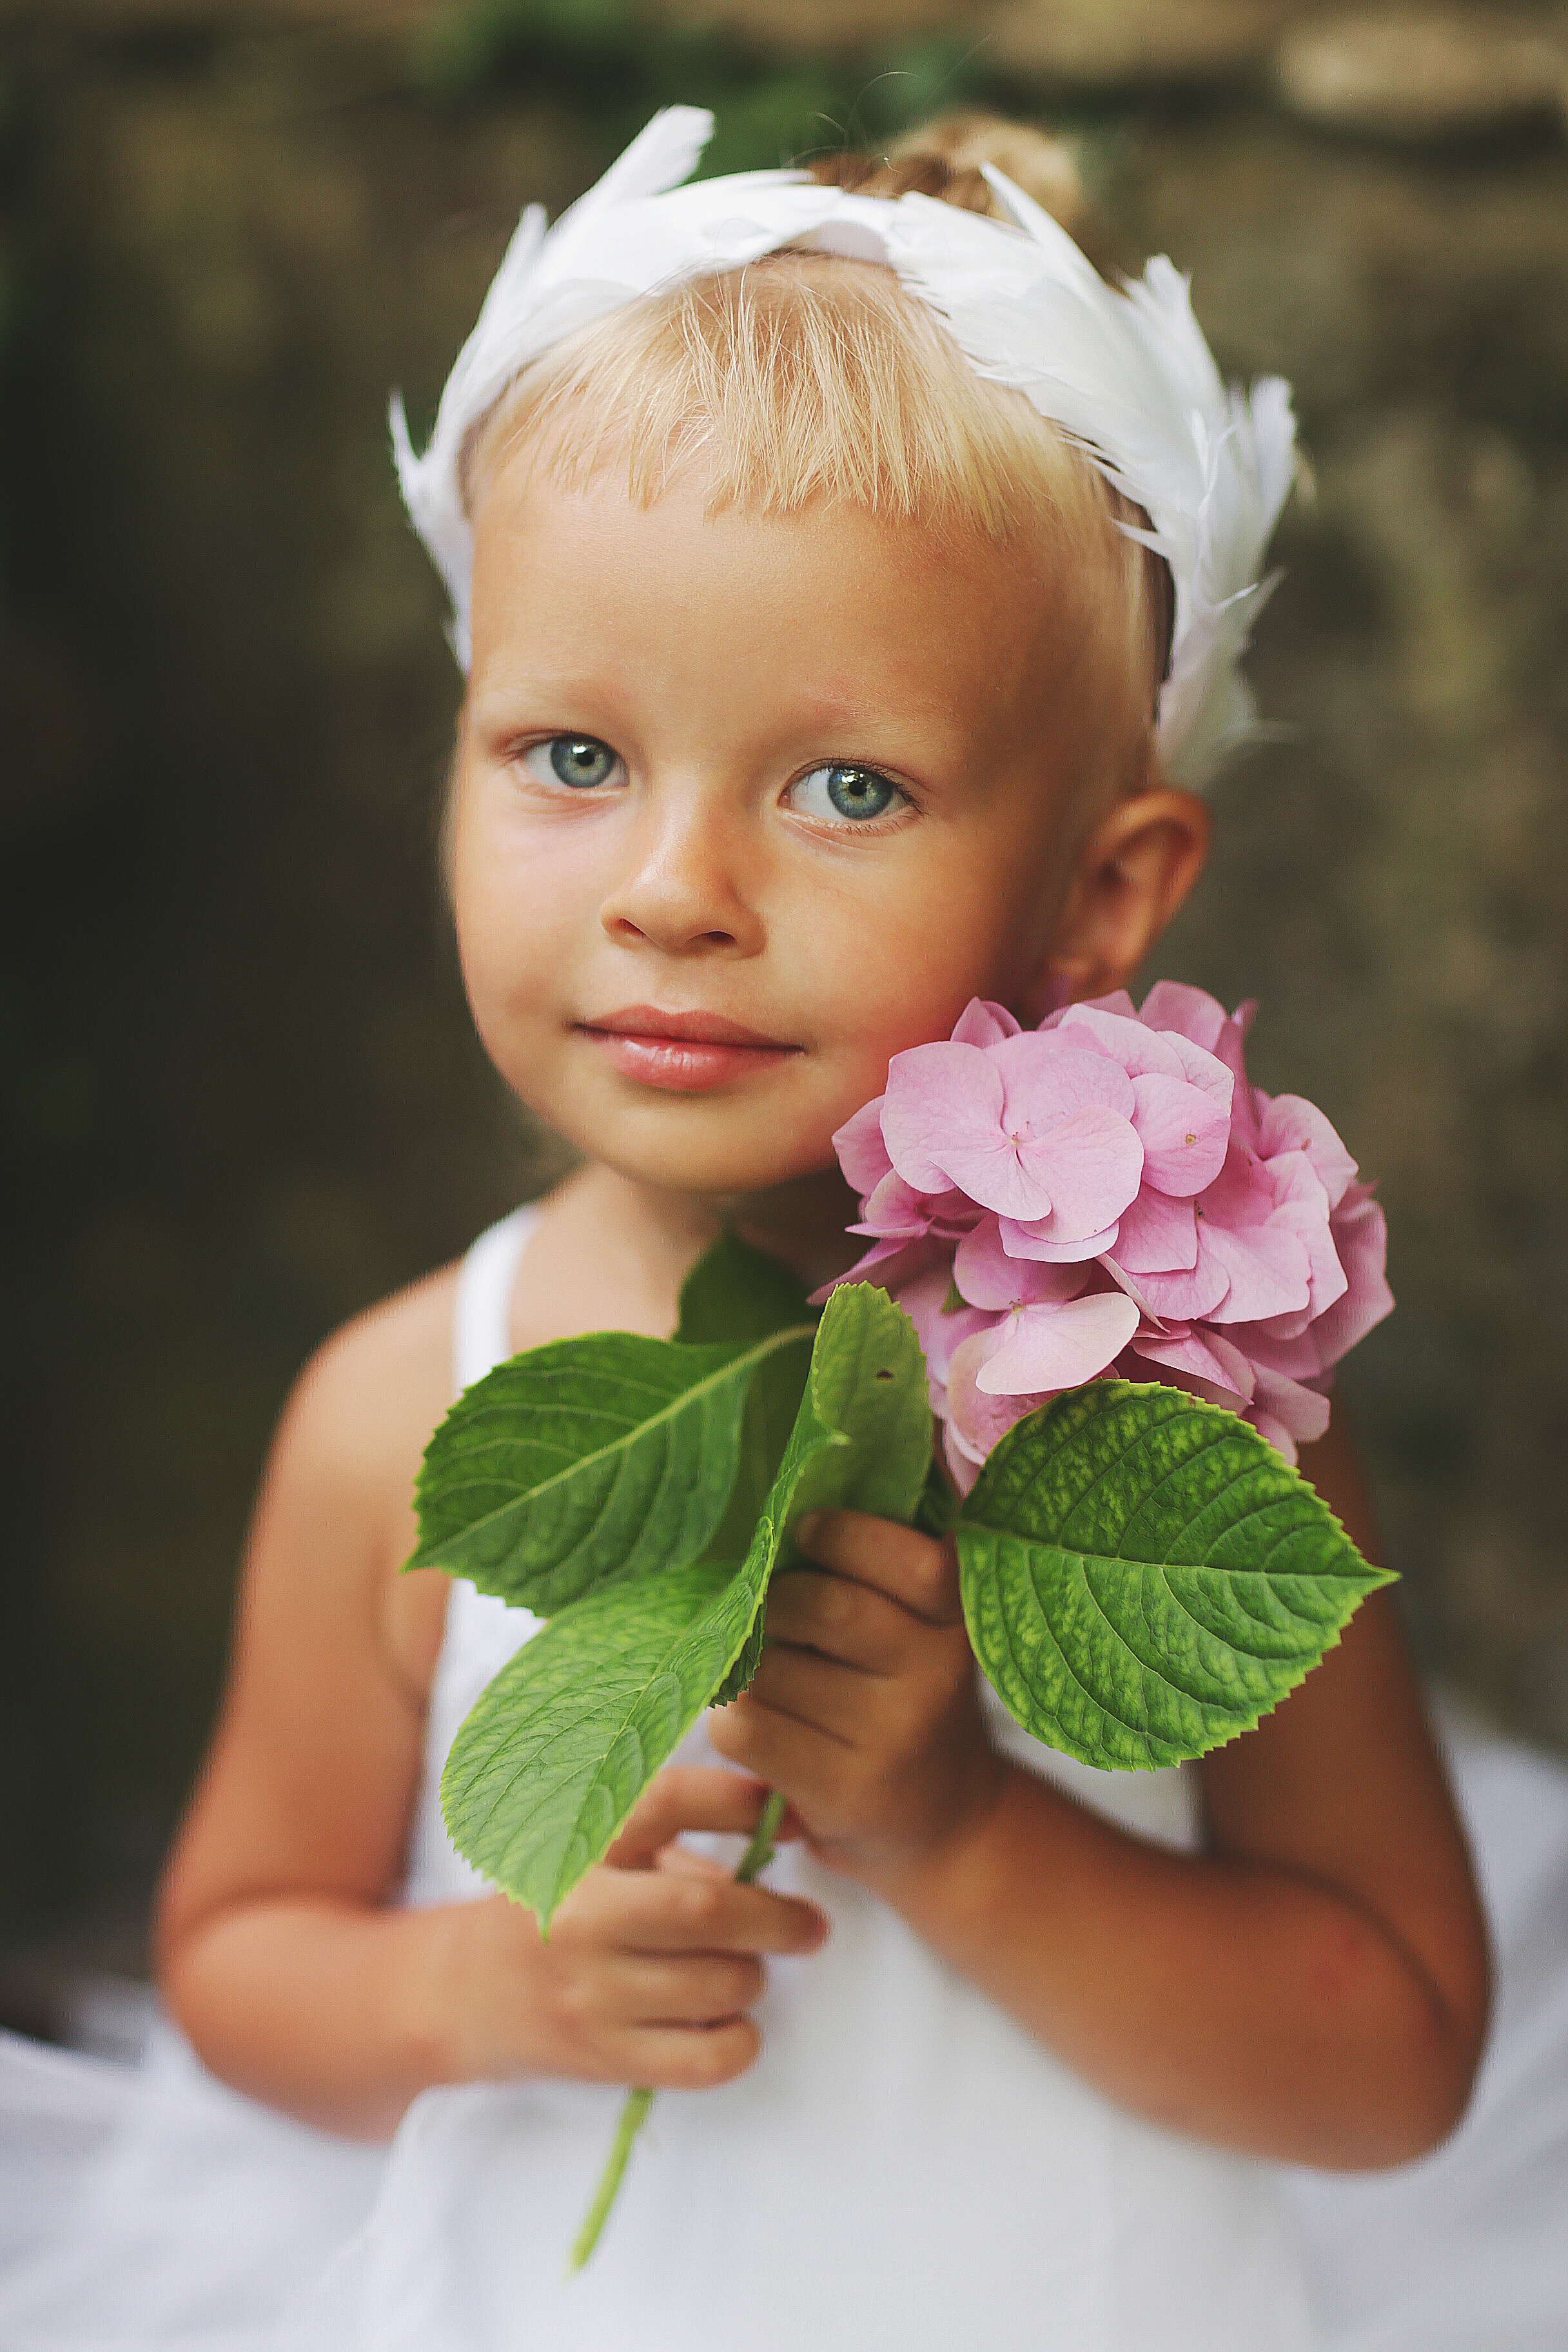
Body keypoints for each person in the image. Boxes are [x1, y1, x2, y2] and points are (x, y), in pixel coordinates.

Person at [2, 105, 1565, 2352]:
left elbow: (1395, 2052)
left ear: (1104, 892)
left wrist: (960, 1828)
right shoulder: (398, 1410)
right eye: (567, 754)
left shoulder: (1184, 1413)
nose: (671, 887)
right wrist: (472, 1979)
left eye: (847, 787)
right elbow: (242, 1955)